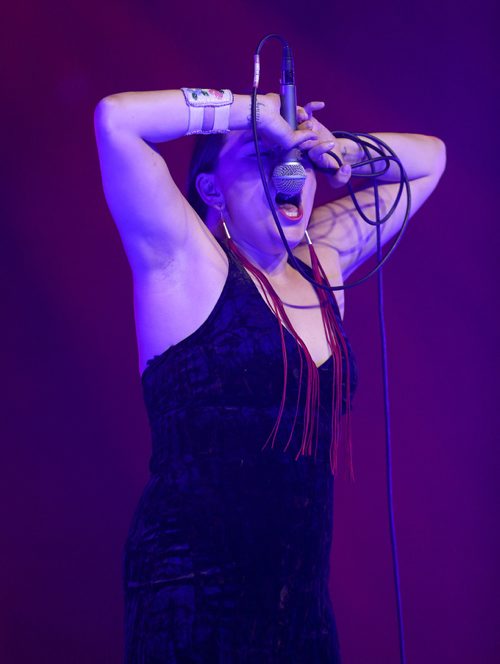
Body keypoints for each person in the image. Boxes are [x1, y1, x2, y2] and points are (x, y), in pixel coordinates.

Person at [94, 87, 446, 662]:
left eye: (297, 161)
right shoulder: (186, 260)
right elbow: (116, 120)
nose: (290, 171)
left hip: (301, 611)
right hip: (193, 601)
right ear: (211, 188)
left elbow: (431, 159)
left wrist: (339, 152)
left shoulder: (322, 263)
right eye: (264, 155)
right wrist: (252, 113)